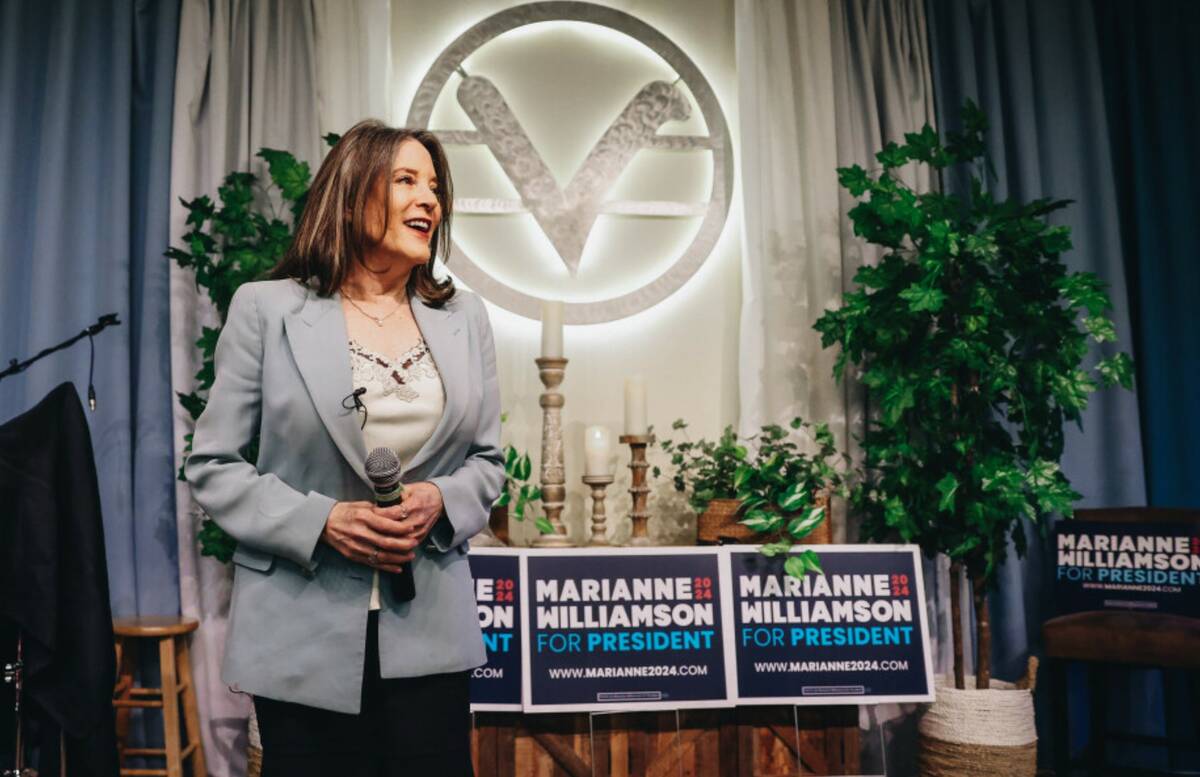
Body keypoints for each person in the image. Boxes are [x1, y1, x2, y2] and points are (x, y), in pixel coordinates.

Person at [184, 119, 504, 776]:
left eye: (436, 187)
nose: (430, 201)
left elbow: (488, 462)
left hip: (429, 632)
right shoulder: (265, 309)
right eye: (407, 180)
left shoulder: (464, 317)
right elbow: (213, 466)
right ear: (353, 194)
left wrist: (438, 499)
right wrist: (323, 520)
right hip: (299, 636)